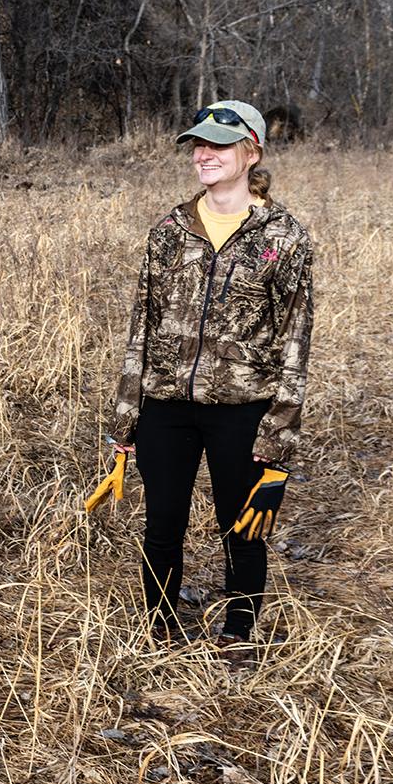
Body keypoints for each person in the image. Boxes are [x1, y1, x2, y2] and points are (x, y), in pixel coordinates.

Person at [111, 100, 314, 659]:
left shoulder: (285, 236)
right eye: (198, 144)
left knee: (242, 525)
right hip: (166, 404)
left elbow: (296, 340)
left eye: (218, 145)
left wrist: (280, 434)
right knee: (163, 523)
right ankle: (159, 624)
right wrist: (126, 413)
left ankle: (238, 632)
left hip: (242, 408)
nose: (204, 154)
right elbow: (142, 325)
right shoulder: (170, 229)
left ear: (252, 151)